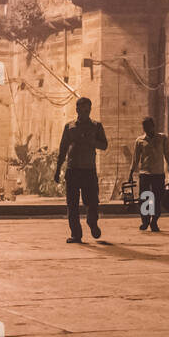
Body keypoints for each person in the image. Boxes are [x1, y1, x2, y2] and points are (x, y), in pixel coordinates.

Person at [54, 96, 109, 243]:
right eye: (82, 109)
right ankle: (76, 234)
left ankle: (92, 222)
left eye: (87, 109)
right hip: (73, 170)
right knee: (72, 204)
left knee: (92, 202)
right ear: (77, 109)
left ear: (90, 110)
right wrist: (58, 168)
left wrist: (93, 141)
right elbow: (63, 149)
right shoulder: (70, 127)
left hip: (88, 170)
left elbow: (104, 145)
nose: (85, 112)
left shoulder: (96, 126)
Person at [128, 116, 169, 233]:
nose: (146, 129)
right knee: (145, 198)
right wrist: (131, 172)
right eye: (144, 127)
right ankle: (145, 220)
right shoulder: (140, 141)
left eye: (148, 126)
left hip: (158, 174)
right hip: (145, 173)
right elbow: (135, 158)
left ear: (153, 126)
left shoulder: (162, 139)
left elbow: (168, 156)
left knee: (157, 199)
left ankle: (154, 221)